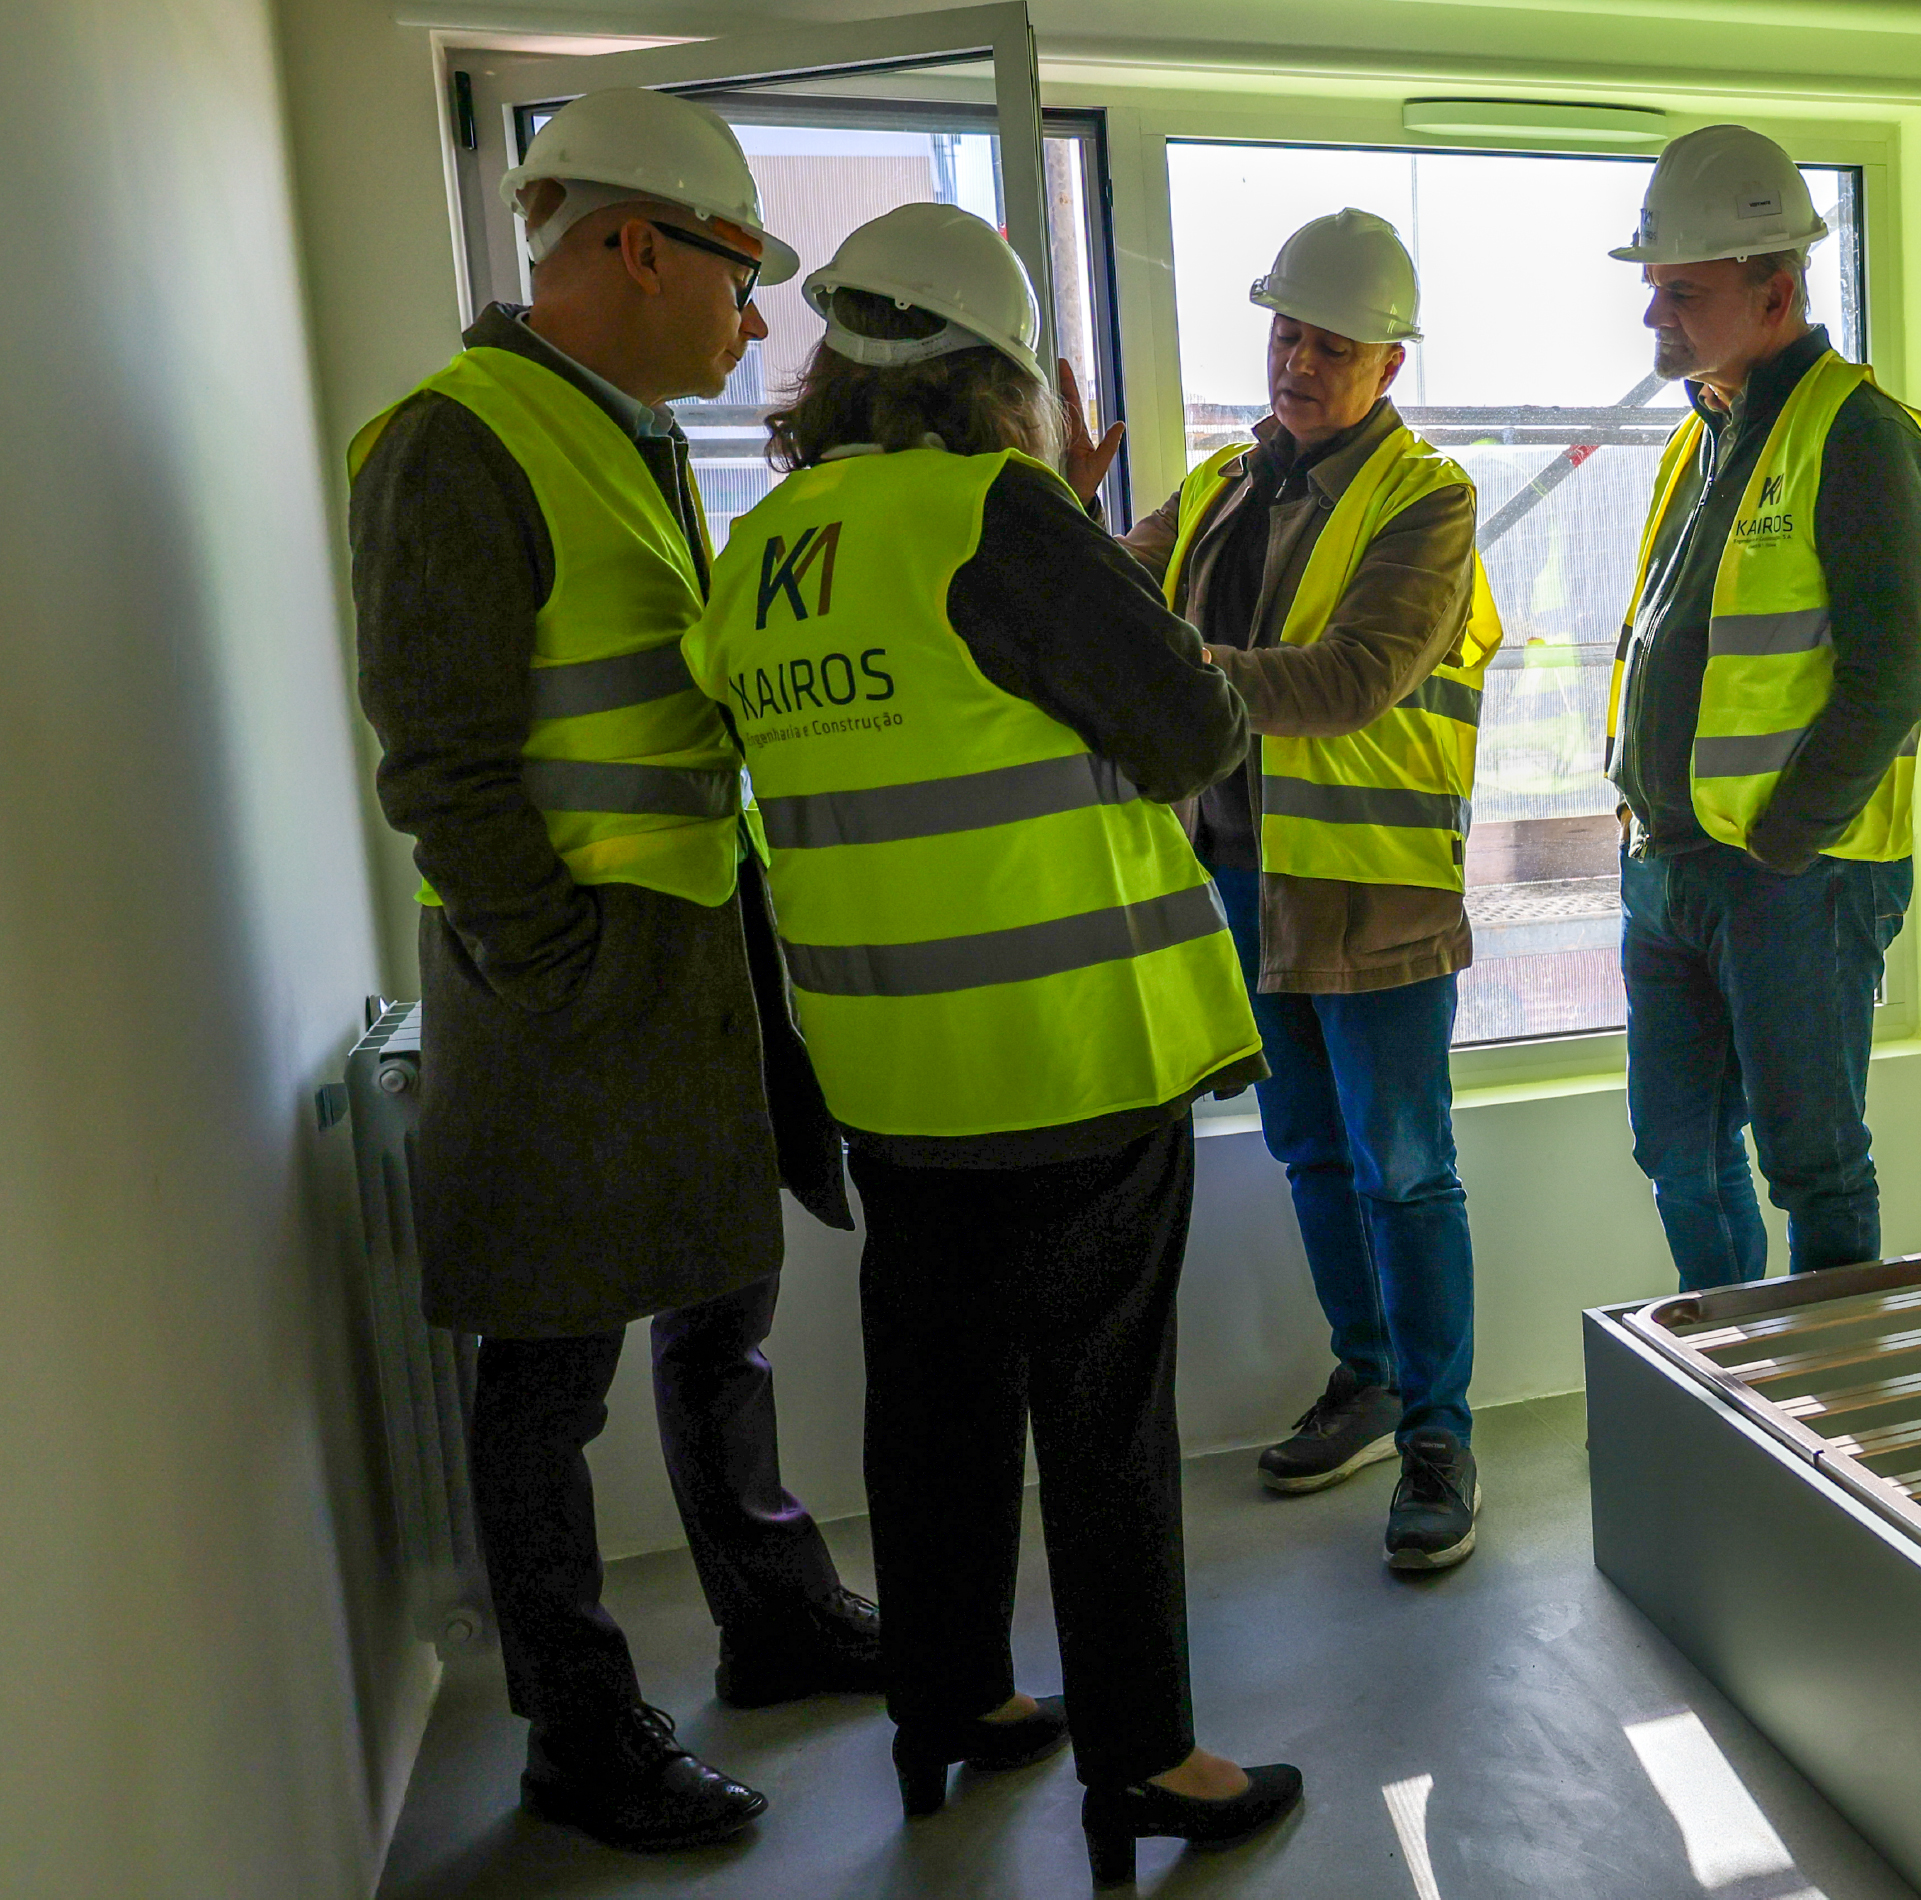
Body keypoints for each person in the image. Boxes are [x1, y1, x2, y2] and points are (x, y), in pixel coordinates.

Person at [682, 201, 1302, 1886]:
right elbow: (1190, 723)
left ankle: (947, 1701)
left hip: (890, 1071)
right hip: (1068, 1056)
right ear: (995, 371)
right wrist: (1086, 540)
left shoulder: (768, 542)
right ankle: (1146, 1759)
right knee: (1101, 1417)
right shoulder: (998, 513)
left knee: (934, 1406)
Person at [347, 87, 880, 1852]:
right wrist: (558, 966)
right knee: (548, 1369)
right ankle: (580, 1729)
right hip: (573, 977)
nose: (755, 322)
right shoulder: (458, 439)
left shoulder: (626, 431)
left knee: (721, 1303)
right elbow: (441, 763)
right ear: (635, 244)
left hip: (689, 945)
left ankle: (776, 1615)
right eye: (740, 275)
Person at [1113, 209, 1501, 1571]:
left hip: (1373, 893)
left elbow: (1354, 678)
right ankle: (1370, 1375)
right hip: (1238, 882)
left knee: (1407, 1170)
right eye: (1288, 335)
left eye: (1333, 348)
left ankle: (1441, 1431)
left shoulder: (1426, 500)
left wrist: (1171, 672)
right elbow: (1109, 591)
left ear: (1388, 366)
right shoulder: (1222, 482)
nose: (1301, 364)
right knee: (1310, 1154)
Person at [1605, 125, 1921, 1291]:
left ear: (1778, 290)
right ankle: (1733, 1397)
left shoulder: (1855, 435)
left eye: (1684, 292)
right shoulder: (1702, 435)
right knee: (1678, 1153)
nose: (1656, 315)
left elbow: (1889, 682)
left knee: (1813, 1167)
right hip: (1668, 868)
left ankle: (1829, 1429)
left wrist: (1784, 845)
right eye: (1654, 288)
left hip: (1786, 878)